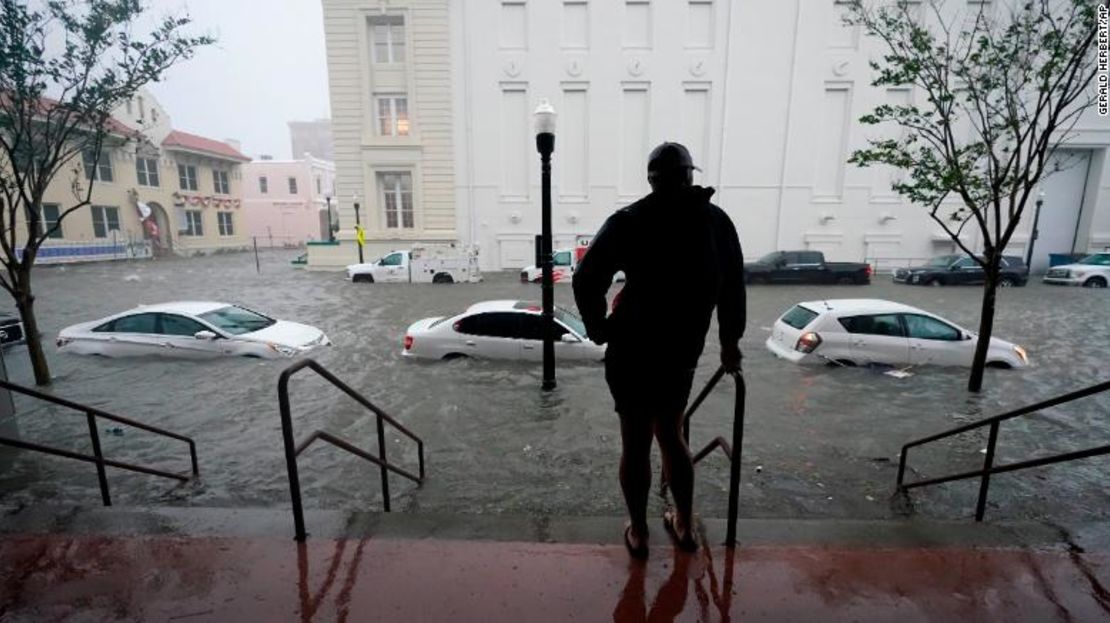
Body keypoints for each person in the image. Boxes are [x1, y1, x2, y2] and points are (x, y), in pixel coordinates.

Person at [573, 142, 745, 558]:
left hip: (631, 348)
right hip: (681, 351)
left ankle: (640, 532)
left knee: (635, 442)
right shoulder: (716, 223)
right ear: (690, 175)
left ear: (651, 179)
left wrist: (598, 328)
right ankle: (684, 525)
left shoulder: (630, 221)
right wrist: (728, 344)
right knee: (671, 435)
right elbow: (732, 288)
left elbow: (585, 278)